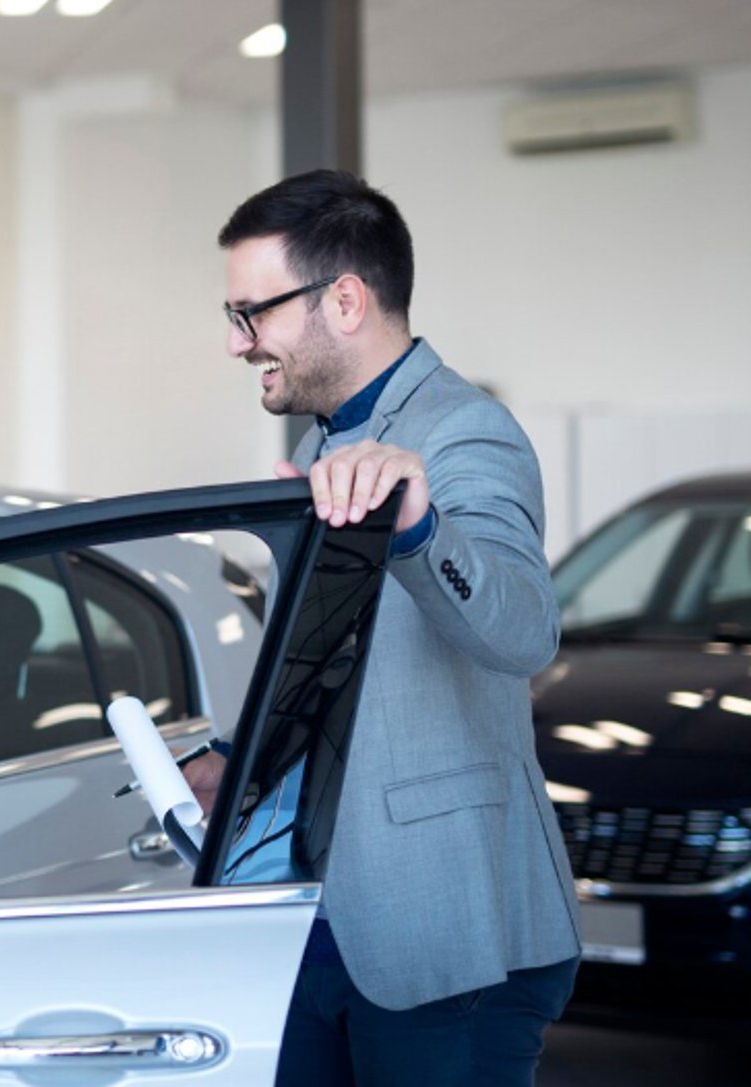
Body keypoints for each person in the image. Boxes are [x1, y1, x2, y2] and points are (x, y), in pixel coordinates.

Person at [193, 169, 581, 1085]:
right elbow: (336, 661)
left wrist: (418, 525)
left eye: (251, 314)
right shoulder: (318, 446)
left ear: (346, 299)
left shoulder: (465, 434)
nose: (236, 343)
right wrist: (240, 755)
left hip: (452, 928)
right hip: (328, 920)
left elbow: (524, 629)